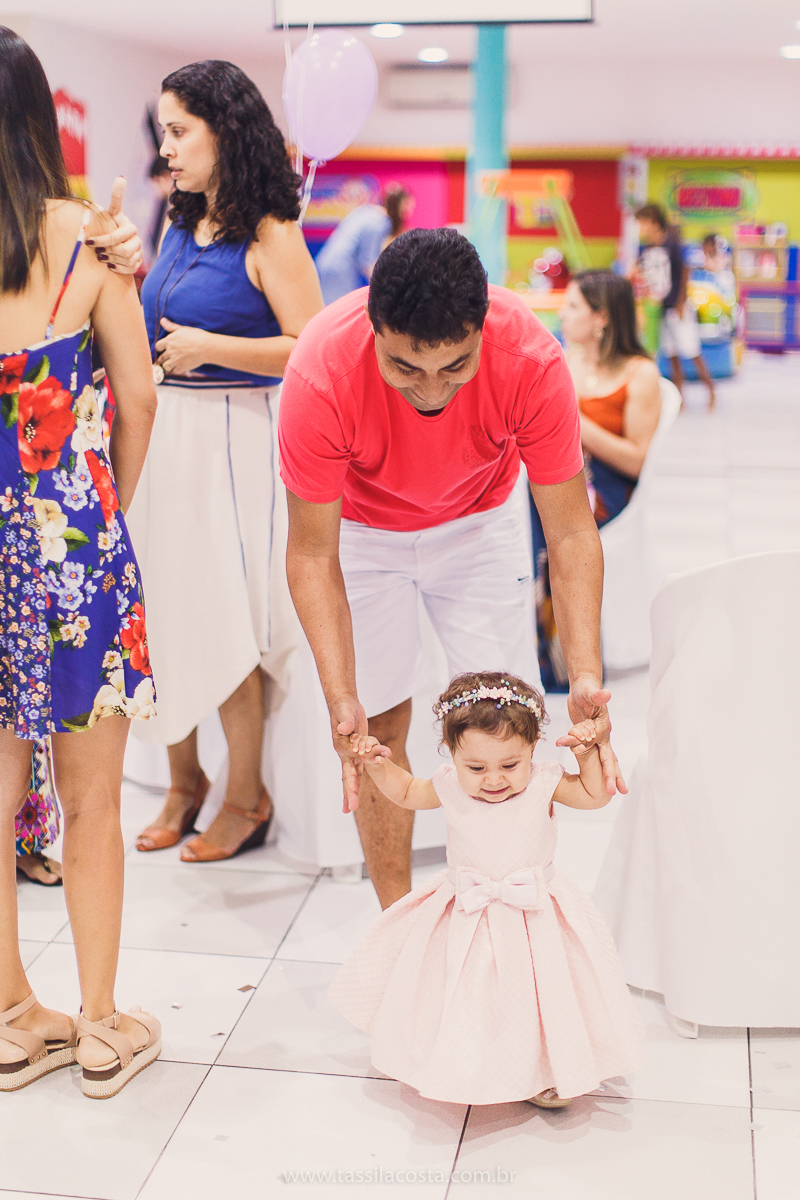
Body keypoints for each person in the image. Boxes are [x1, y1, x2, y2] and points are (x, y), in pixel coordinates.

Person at [280, 227, 626, 912]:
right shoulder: (321, 369)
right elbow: (312, 552)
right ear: (375, 329)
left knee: (508, 726)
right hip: (364, 536)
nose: (432, 391)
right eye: (407, 368)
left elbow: (568, 527)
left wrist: (584, 669)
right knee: (376, 728)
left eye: (455, 366)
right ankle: (399, 925)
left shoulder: (528, 354)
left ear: (482, 329)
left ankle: (513, 912)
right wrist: (338, 689)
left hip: (478, 527)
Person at [0, 27, 160, 1097]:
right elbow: (138, 399)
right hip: (74, 551)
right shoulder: (91, 245)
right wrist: (103, 513)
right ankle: (101, 1026)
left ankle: (13, 1018)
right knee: (93, 803)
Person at [130, 60, 323, 862]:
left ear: (225, 131)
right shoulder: (178, 220)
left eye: (180, 131)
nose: (167, 148)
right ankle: (185, 782)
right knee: (160, 614)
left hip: (236, 440)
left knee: (226, 617)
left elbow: (316, 347)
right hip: (164, 437)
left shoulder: (272, 231)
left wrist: (216, 347)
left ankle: (245, 795)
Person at [329, 671, 645, 1107]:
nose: (493, 779)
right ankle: (466, 1064)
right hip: (467, 912)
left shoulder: (544, 781)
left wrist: (588, 752)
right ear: (451, 755)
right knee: (469, 994)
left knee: (539, 994)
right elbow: (403, 791)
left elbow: (594, 796)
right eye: (475, 767)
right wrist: (377, 763)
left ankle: (543, 1071)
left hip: (534, 913)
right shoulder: (445, 784)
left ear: (533, 749)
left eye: (509, 765)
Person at [532, 271, 662, 689]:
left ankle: (561, 660)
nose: (562, 315)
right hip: (564, 476)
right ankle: (546, 649)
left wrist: (576, 422)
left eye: (572, 307)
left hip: (608, 488)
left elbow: (637, 460)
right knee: (520, 502)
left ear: (601, 317)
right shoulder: (565, 362)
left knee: (545, 521)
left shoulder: (639, 373)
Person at [634, 203, 715, 408]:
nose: (639, 228)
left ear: (653, 223)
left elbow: (684, 272)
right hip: (658, 309)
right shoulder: (646, 249)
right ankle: (680, 398)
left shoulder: (672, 244)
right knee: (672, 355)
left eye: (642, 223)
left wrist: (680, 303)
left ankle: (710, 390)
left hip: (677, 308)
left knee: (691, 350)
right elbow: (641, 275)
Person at [315, 185, 413, 305]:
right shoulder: (380, 222)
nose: (408, 213)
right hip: (340, 270)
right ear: (400, 207)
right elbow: (368, 264)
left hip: (325, 264)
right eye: (407, 207)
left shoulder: (369, 211)